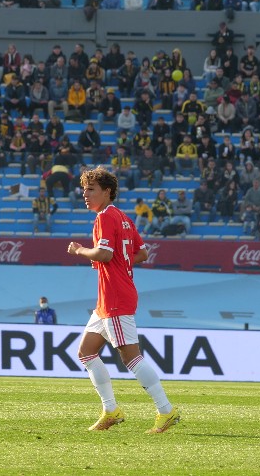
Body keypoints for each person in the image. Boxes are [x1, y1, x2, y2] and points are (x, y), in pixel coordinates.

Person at [67, 166, 179, 434]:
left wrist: (80, 250)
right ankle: (111, 410)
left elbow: (104, 254)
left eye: (91, 189)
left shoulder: (105, 217)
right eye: (84, 190)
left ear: (107, 192)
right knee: (86, 352)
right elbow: (142, 253)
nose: (85, 194)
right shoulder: (123, 218)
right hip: (108, 299)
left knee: (131, 358)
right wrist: (119, 261)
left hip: (115, 296)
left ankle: (166, 410)